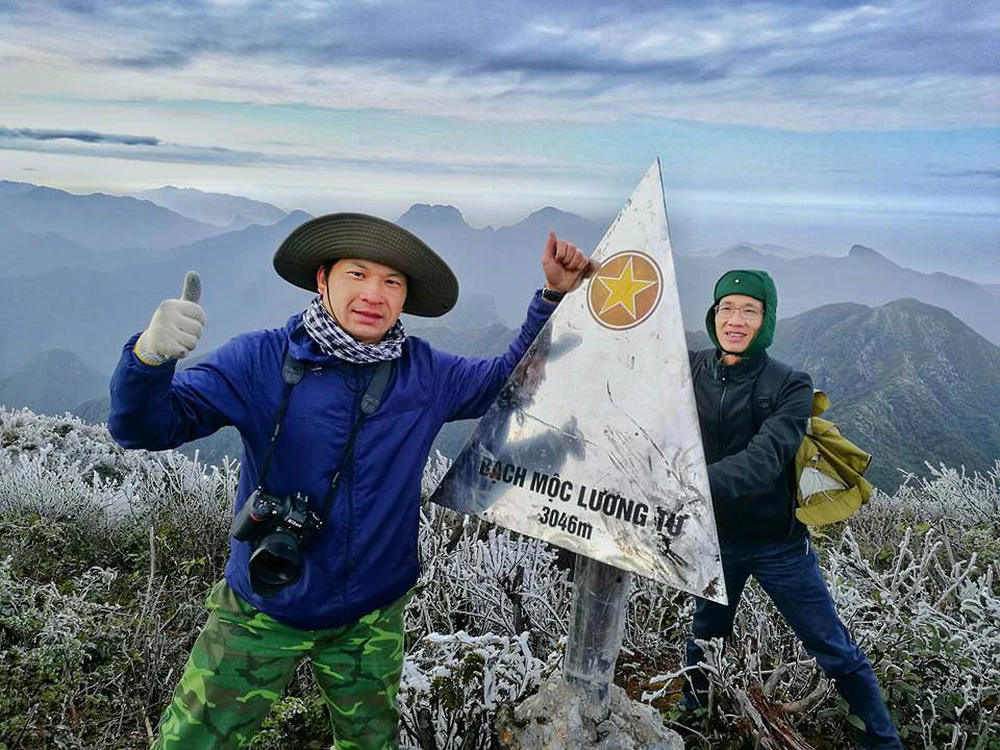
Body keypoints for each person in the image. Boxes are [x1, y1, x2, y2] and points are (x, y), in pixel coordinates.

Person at [108, 212, 589, 750]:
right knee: (188, 743)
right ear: (322, 279)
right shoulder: (261, 361)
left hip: (371, 616)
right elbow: (142, 428)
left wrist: (551, 297)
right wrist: (148, 360)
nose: (374, 294)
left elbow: (508, 379)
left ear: (405, 297)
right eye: (357, 274)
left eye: (392, 281)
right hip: (264, 607)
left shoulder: (423, 373)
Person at [683, 269, 902, 749]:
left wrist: (684, 488)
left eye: (749, 310)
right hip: (715, 539)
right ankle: (691, 723)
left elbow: (764, 462)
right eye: (726, 308)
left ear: (767, 320)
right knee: (704, 640)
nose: (735, 320)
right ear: (713, 314)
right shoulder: (689, 368)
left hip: (777, 544)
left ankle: (883, 743)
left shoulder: (790, 385)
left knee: (832, 648)